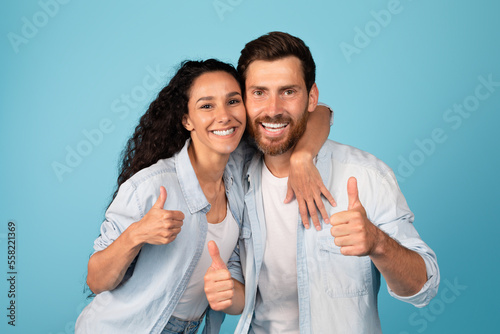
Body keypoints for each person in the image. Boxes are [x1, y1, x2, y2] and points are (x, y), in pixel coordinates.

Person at [75, 58, 332, 334]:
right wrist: (136, 234)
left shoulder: (240, 169)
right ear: (187, 119)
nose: (224, 116)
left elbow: (321, 112)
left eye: (233, 101)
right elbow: (96, 280)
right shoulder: (152, 186)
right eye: (207, 106)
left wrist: (303, 157)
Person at [226, 32, 440, 333]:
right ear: (243, 99)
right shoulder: (234, 177)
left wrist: (378, 243)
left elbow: (424, 287)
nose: (273, 109)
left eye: (288, 92)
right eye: (259, 92)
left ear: (312, 97)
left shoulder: (365, 175)